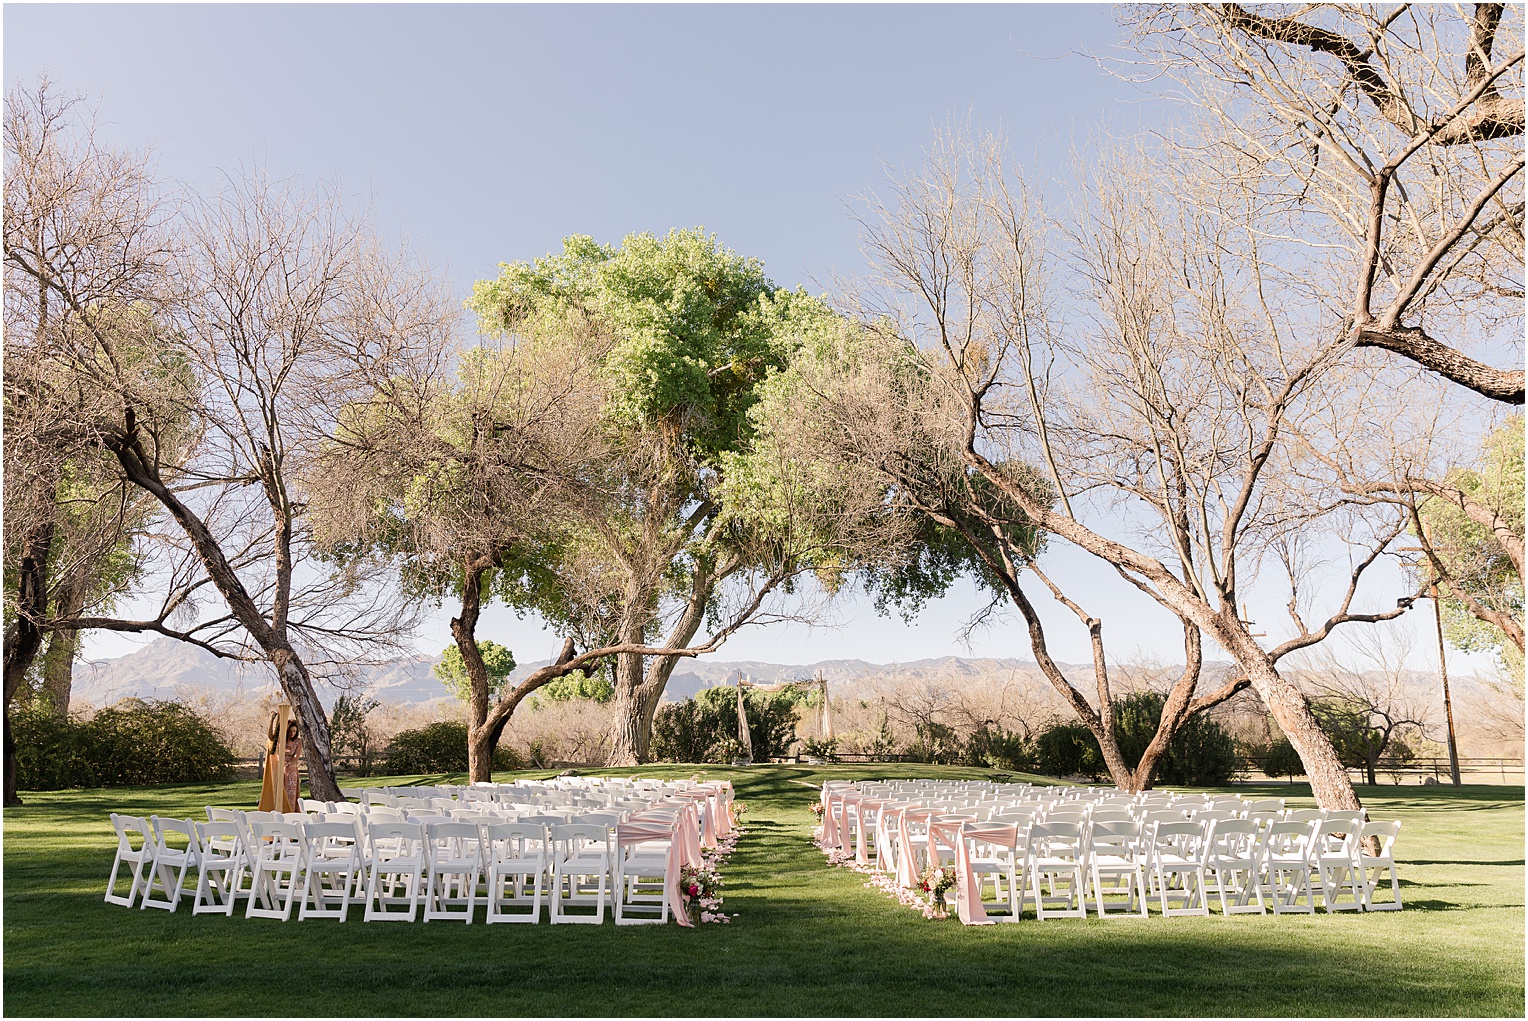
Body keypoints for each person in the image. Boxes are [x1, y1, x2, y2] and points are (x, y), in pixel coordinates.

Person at [282, 719, 303, 811]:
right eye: (290, 731)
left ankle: (291, 810)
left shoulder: (298, 741)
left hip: (291, 768)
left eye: (294, 731)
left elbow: (296, 757)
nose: (292, 733)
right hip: (280, 768)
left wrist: (288, 763)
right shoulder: (282, 740)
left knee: (291, 791)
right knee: (281, 790)